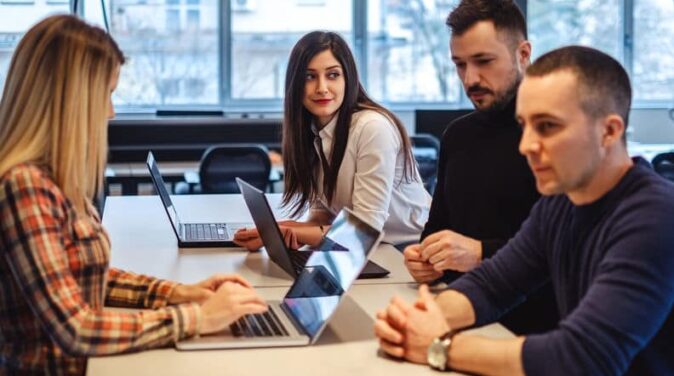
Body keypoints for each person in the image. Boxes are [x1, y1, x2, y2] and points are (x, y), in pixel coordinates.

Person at [375, 45, 674, 375]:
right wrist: (418, 319)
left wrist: (439, 347)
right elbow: (494, 285)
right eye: (525, 125)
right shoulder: (561, 203)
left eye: (546, 126)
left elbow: (583, 359)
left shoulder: (655, 217)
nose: (526, 145)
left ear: (610, 131)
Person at [0, 15, 267, 375]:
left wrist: (180, 293)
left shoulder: (55, 180)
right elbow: (74, 328)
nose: (110, 112)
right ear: (71, 100)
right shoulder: (24, 187)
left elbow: (85, 277)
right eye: (107, 95)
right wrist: (197, 317)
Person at [404, 0, 556, 334]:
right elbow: (438, 227)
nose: (470, 78)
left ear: (523, 54)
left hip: (529, 326)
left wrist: (480, 253)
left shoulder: (554, 137)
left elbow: (564, 249)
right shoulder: (458, 135)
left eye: (484, 61)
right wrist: (426, 259)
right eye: (459, 65)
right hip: (455, 311)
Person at [234, 31, 430, 250]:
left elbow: (363, 231)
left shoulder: (372, 128)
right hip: (368, 250)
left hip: (410, 251)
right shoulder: (313, 131)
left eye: (333, 75)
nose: (322, 88)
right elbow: (324, 215)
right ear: (295, 84)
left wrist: (293, 230)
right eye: (310, 77)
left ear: (348, 79)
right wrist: (286, 232)